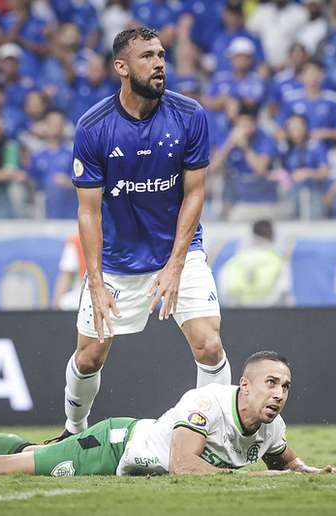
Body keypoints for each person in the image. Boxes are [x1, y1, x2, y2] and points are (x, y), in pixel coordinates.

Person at [61, 27, 230, 441]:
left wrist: (175, 265)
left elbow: (195, 194)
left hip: (179, 251)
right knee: (89, 357)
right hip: (118, 262)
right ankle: (73, 429)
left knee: (209, 345)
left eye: (161, 55)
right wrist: (96, 282)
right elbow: (89, 213)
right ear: (121, 67)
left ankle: (202, 441)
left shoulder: (189, 115)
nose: (158, 63)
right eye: (147, 57)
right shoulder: (93, 127)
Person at [0, 351, 336, 478]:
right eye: (271, 382)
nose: (280, 393)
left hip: (122, 448)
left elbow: (281, 457)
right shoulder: (208, 403)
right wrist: (262, 487)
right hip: (114, 445)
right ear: (244, 383)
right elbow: (183, 465)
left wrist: (309, 474)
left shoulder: (272, 425)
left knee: (28, 452)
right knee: (1, 470)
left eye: (286, 386)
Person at [219, 222, 292, 307]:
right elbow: (284, 291)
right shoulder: (279, 261)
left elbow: (225, 292)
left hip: (239, 314)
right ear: (272, 236)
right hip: (271, 314)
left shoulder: (234, 261)